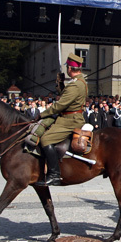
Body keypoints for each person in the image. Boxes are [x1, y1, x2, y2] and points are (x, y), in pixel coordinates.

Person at [34, 53, 87, 186]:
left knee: (46, 139)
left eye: (67, 67)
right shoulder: (78, 82)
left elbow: (61, 104)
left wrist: (43, 114)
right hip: (68, 116)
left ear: (70, 68)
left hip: (70, 119)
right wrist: (61, 84)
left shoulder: (76, 85)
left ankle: (54, 174)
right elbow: (67, 98)